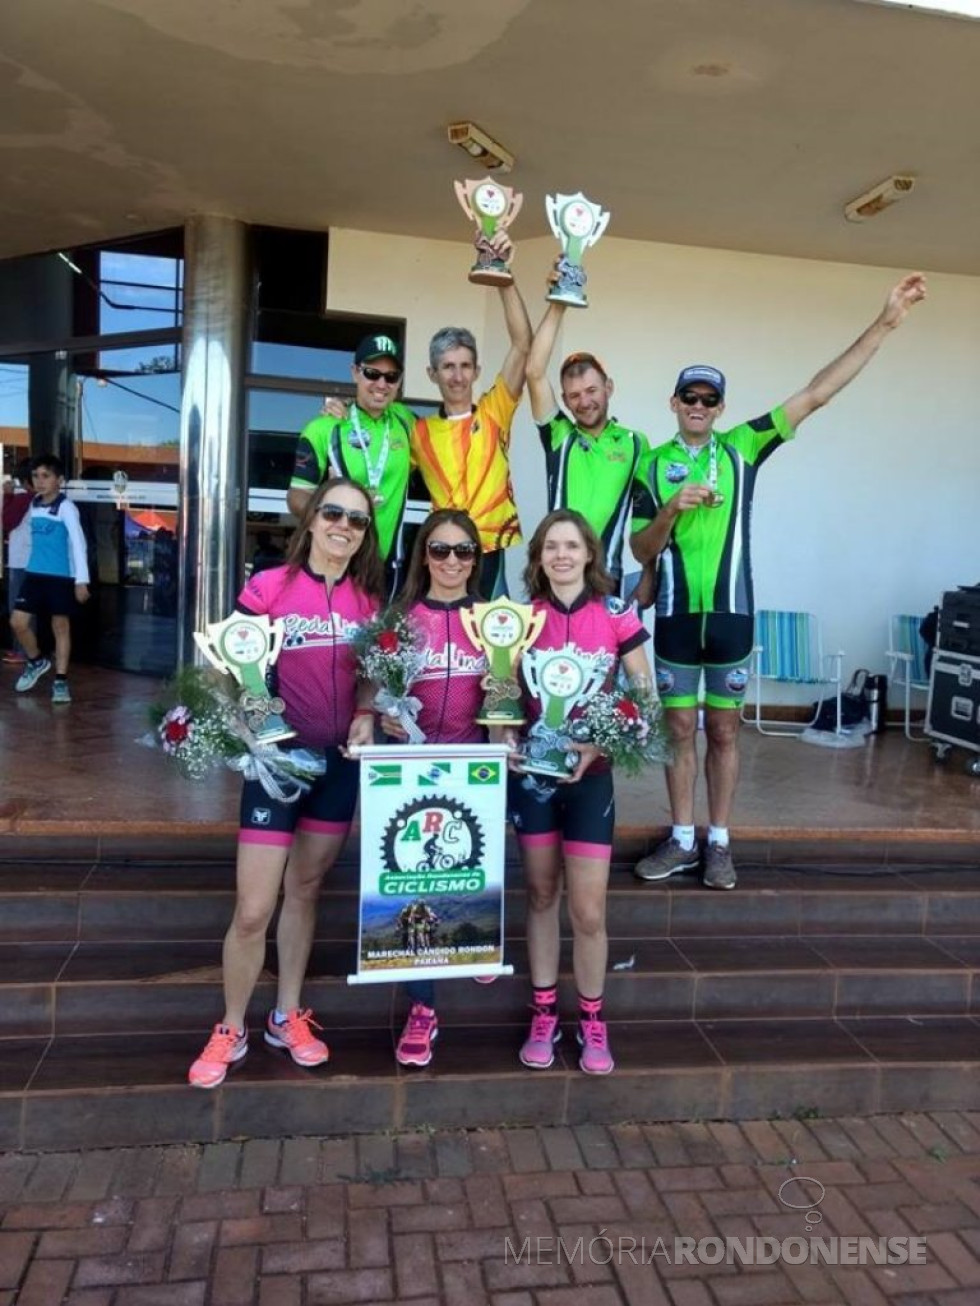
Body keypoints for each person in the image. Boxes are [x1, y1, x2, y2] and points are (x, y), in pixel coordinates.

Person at [630, 273, 928, 892]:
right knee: (680, 729)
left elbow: (816, 393)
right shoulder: (652, 465)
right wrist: (671, 509)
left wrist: (885, 323)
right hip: (678, 620)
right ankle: (682, 839)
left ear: (720, 408)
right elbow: (640, 546)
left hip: (736, 615)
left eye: (709, 399)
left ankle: (719, 842)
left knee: (725, 730)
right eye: (689, 395)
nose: (698, 405)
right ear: (673, 401)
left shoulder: (743, 447)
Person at [188, 476, 384, 1089]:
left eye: (356, 520)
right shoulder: (269, 586)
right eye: (333, 513)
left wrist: (367, 711)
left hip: (337, 768)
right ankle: (230, 1026)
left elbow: (374, 675)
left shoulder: (368, 602)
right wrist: (240, 718)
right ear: (312, 518)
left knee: (304, 892)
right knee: (253, 909)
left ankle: (284, 1016)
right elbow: (226, 660)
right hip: (275, 767)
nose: (343, 527)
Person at [504, 509, 652, 1075]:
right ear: (539, 558)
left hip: (591, 781)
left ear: (590, 554)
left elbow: (646, 696)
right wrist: (505, 733)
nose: (561, 555)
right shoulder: (520, 618)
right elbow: (498, 693)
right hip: (533, 781)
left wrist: (601, 745)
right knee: (541, 896)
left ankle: (592, 1019)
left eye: (571, 545)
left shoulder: (616, 614)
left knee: (588, 911)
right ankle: (544, 1013)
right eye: (550, 547)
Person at [377, 508, 488, 1068]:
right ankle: (423, 1008)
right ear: (425, 555)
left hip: (478, 767)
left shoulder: (497, 619)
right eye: (440, 550)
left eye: (463, 551)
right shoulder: (400, 618)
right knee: (413, 885)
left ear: (476, 558)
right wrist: (385, 715)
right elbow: (374, 691)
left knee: (481, 866)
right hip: (414, 766)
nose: (451, 561)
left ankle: (477, 938)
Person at [411, 238, 532, 599]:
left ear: (477, 370)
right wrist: (340, 412)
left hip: (489, 549)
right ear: (432, 374)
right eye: (447, 367)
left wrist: (504, 279)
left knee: (495, 644)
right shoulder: (418, 431)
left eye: (465, 366)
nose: (457, 376)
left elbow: (523, 343)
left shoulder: (495, 411)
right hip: (441, 553)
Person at [525, 300, 648, 593]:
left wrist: (648, 573)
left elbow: (647, 516)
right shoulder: (560, 435)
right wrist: (557, 306)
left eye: (592, 390)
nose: (584, 401)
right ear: (565, 401)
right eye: (575, 395)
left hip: (606, 575)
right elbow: (534, 372)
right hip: (554, 571)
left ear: (609, 388)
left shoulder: (635, 442)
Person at [287, 334, 414, 598]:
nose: (381, 384)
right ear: (355, 373)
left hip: (388, 565)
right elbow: (297, 496)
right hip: (335, 558)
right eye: (372, 373)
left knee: (380, 637)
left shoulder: (406, 422)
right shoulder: (323, 428)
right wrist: (334, 515)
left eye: (391, 377)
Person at [11, 453, 91, 704]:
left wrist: (81, 579)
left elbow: (79, 544)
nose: (40, 481)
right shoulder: (34, 503)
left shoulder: (66, 507)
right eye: (36, 476)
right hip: (34, 574)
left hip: (60, 576)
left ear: (60, 479)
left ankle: (60, 680)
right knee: (18, 622)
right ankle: (36, 662)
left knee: (60, 627)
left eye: (46, 476)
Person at [2, 457, 34, 664]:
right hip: (32, 558)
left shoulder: (23, 498)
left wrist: (7, 495)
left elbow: (7, 521)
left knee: (19, 607)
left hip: (21, 560)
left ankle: (23, 650)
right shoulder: (40, 498)